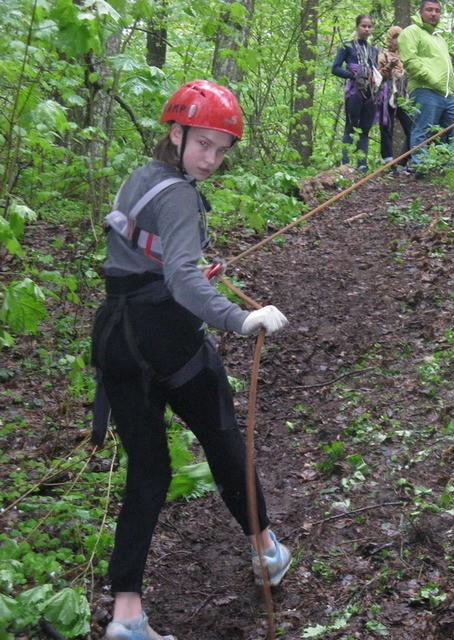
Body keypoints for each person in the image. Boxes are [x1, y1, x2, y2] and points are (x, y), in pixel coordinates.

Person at [92, 80, 291, 640]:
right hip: (167, 338)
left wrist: (189, 272)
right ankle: (265, 550)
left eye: (222, 149)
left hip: (115, 339)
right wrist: (239, 317)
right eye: (203, 143)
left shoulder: (142, 178)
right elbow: (178, 276)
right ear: (175, 134)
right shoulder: (180, 193)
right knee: (223, 436)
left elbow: (144, 257)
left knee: (148, 472)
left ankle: (127, 615)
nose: (212, 159)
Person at [397, 0, 454, 169]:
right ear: (420, 12)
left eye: (437, 10)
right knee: (423, 130)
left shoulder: (439, 38)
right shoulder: (411, 32)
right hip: (425, 90)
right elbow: (410, 61)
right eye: (429, 10)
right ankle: (419, 167)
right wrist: (432, 79)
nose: (434, 13)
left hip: (447, 94)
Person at [331, 15, 381, 170]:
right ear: (357, 27)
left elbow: (376, 70)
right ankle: (345, 164)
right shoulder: (347, 46)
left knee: (365, 128)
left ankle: (362, 165)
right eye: (363, 26)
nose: (367, 29)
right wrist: (353, 75)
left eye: (369, 26)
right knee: (350, 126)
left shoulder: (374, 50)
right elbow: (335, 68)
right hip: (354, 91)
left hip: (371, 92)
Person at [376, 26, 413, 164]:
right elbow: (377, 77)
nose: (397, 41)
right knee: (387, 128)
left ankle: (404, 160)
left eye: (400, 37)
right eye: (394, 37)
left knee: (412, 128)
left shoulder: (406, 56)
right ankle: (388, 162)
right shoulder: (382, 56)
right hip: (387, 96)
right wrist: (390, 66)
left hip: (404, 98)